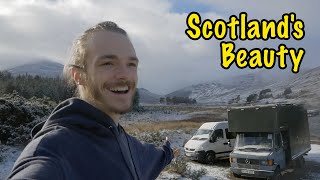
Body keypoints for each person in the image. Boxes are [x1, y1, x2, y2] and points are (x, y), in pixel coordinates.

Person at [7, 21, 175, 180]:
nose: (125, 74)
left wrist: (168, 150)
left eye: (131, 64)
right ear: (78, 75)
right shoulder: (54, 150)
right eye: (108, 63)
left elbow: (155, 157)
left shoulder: (127, 144)